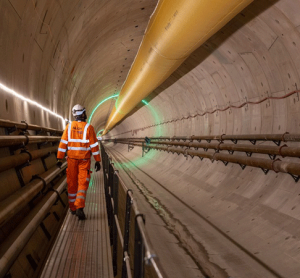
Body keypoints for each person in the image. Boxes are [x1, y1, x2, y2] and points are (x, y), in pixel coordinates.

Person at [56, 104, 101, 220]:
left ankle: (73, 208)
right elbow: (94, 146)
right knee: (82, 183)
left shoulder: (69, 127)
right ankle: (80, 207)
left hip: (71, 160)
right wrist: (97, 160)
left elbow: (63, 143)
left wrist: (59, 158)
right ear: (83, 113)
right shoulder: (88, 128)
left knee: (71, 183)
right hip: (84, 161)